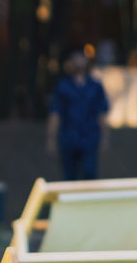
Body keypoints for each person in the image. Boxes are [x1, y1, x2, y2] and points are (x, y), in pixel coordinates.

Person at [46, 49, 109, 181]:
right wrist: (51, 138)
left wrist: (105, 138)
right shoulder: (62, 86)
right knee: (69, 177)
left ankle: (89, 201)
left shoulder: (95, 86)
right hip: (69, 138)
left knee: (89, 173)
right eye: (75, 58)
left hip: (90, 138)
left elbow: (102, 114)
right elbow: (55, 113)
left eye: (81, 58)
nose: (78, 62)